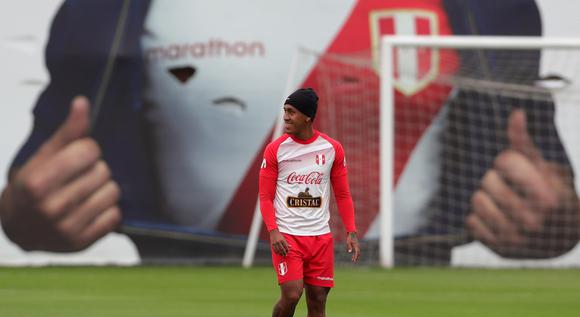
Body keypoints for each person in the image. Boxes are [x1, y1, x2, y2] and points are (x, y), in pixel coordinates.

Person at [0, 0, 578, 264]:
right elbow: (36, 176)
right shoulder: (105, 9)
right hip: (181, 289)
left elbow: (543, 172)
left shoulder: (493, 8)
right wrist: (30, 209)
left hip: (411, 287)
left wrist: (551, 220)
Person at [259, 88, 360, 317]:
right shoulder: (276, 149)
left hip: (319, 238)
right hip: (287, 236)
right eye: (285, 111)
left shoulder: (332, 149)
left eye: (291, 112)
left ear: (307, 116)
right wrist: (273, 231)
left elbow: (343, 193)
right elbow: (265, 196)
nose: (285, 117)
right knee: (292, 294)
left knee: (318, 301)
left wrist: (351, 231)